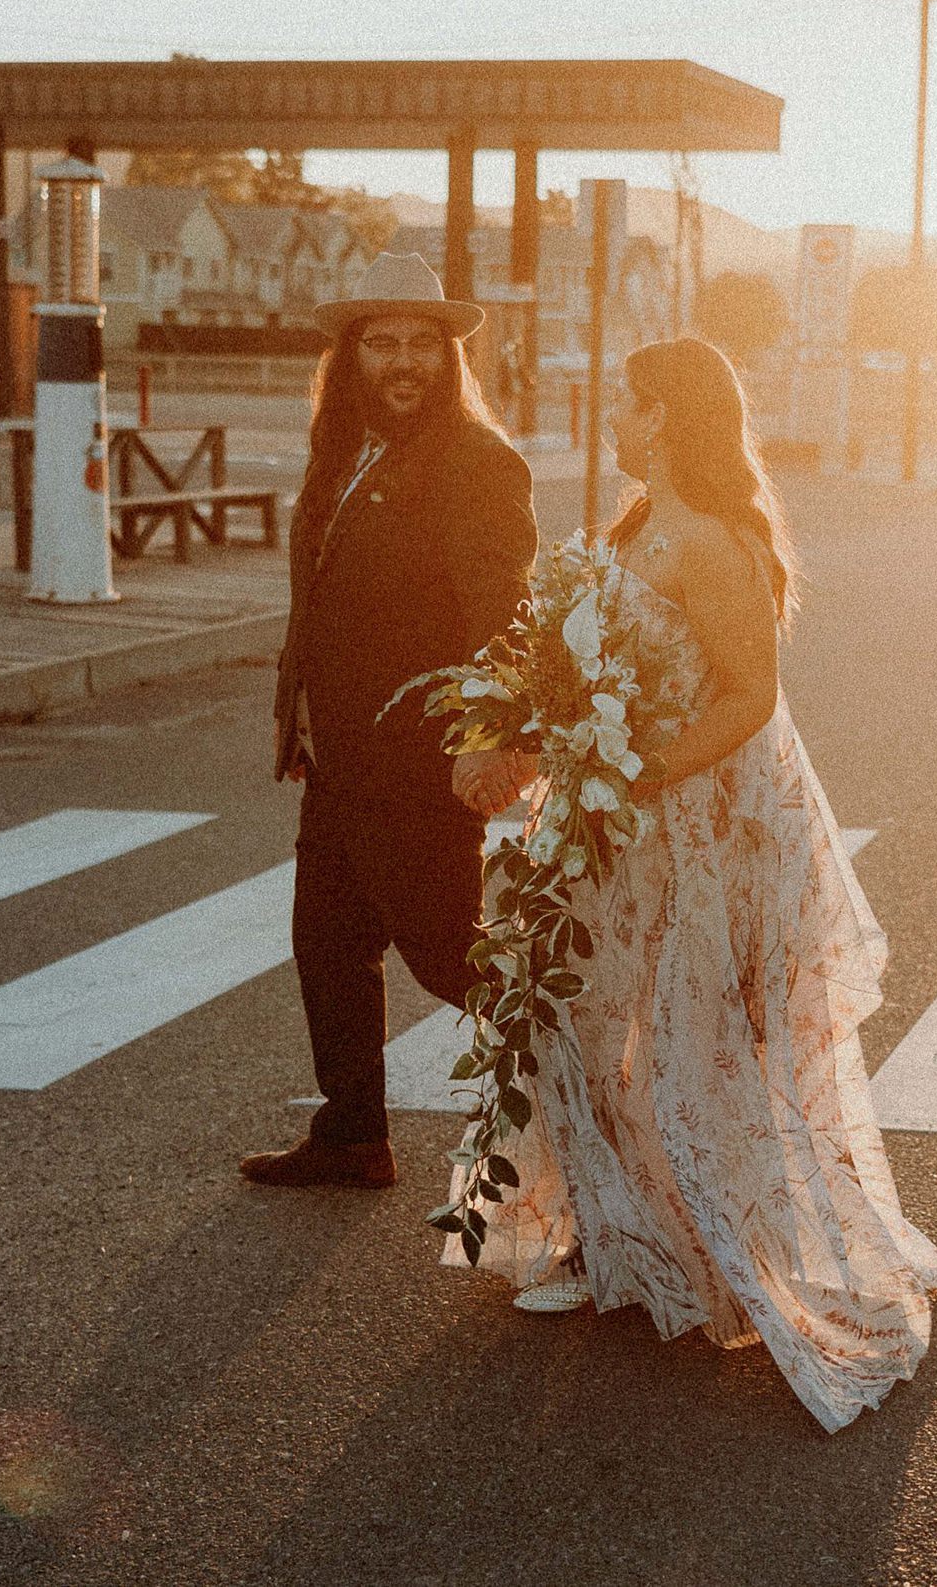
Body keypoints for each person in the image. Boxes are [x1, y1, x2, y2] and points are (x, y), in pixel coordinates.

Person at [451, 336, 937, 1433]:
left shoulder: (717, 543)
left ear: (671, 416)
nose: (612, 422)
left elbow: (747, 699)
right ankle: (607, 1232)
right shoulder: (633, 526)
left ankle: (701, 1241)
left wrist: (617, 773)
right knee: (578, 1024)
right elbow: (567, 664)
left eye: (627, 405)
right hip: (604, 821)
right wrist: (516, 741)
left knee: (683, 1035)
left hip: (681, 831)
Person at [241, 253, 539, 1190]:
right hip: (338, 758)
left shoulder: (477, 462)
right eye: (383, 343)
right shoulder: (340, 452)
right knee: (326, 944)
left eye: (423, 343)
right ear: (349, 354)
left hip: (416, 761)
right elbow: (320, 598)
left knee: (452, 955)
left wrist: (496, 735)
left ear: (449, 359)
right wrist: (300, 718)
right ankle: (353, 1135)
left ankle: (603, 1102)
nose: (405, 361)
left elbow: (506, 610)